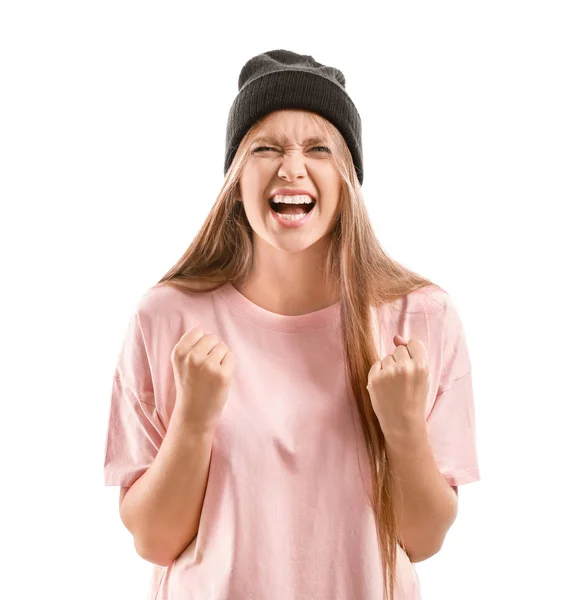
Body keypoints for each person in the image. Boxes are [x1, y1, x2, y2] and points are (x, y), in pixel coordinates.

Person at [103, 49, 481, 600]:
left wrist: (401, 428)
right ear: (236, 176)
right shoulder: (165, 318)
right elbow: (156, 540)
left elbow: (421, 540)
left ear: (348, 176)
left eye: (318, 149)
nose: (292, 167)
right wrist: (193, 421)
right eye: (266, 148)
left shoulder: (422, 318)